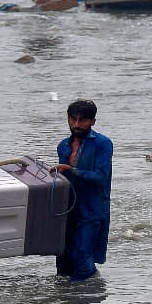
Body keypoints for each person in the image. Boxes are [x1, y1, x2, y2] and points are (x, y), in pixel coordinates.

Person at [50, 100, 113, 281]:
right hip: (68, 209)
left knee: (83, 254)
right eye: (73, 119)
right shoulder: (63, 145)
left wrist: (72, 170)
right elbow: (63, 179)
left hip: (93, 209)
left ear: (93, 122)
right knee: (63, 258)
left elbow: (101, 177)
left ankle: (89, 300)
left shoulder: (103, 144)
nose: (76, 125)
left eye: (82, 120)